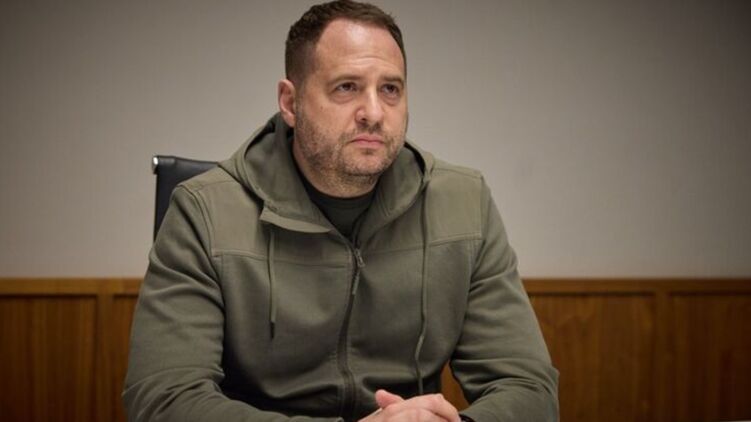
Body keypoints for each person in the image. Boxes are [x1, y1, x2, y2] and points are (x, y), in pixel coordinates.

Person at [123, 1, 559, 421]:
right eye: (346, 87)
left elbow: (528, 388)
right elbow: (164, 399)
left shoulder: (463, 203)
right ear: (290, 102)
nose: (374, 113)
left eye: (390, 89)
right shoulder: (204, 212)